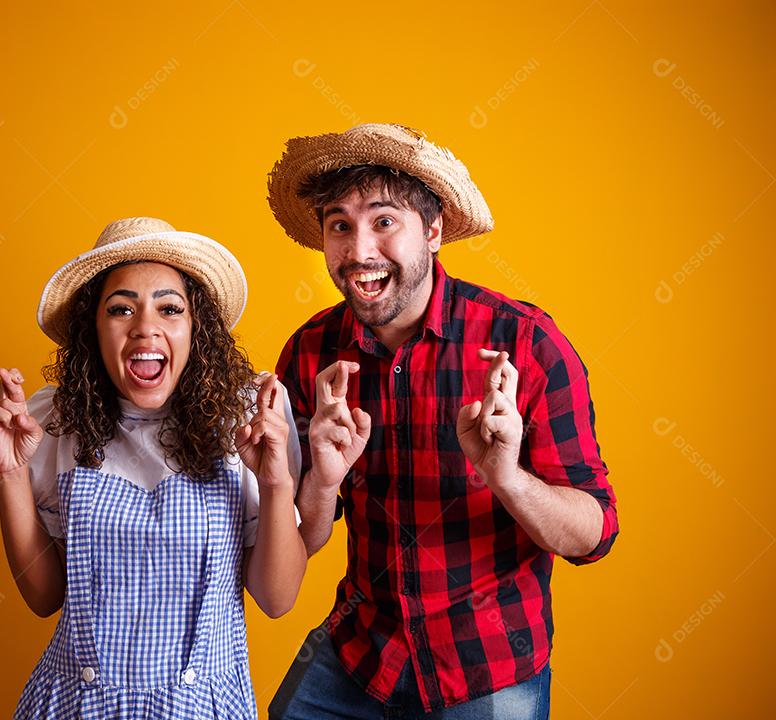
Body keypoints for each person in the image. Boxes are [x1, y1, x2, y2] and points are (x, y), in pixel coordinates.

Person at [265, 124, 619, 719]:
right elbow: (300, 539)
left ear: (432, 232)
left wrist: (508, 477)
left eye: (383, 221)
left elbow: (595, 533)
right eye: (340, 225)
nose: (358, 251)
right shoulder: (310, 352)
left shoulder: (524, 343)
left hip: (486, 667)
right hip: (359, 653)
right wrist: (322, 482)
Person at [0, 217, 306, 719]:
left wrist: (276, 481)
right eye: (120, 309)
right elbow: (45, 596)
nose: (145, 327)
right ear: (94, 328)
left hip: (203, 707)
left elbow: (277, 597)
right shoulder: (53, 420)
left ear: (195, 326)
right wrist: (8, 474)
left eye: (169, 308)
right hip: (75, 705)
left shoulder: (248, 416)